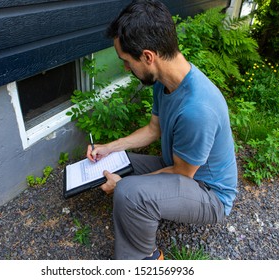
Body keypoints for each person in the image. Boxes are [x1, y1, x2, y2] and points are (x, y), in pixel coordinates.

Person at [86, 0, 238, 260]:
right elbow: (153, 130)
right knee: (115, 161)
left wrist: (125, 185)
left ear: (147, 56)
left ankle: (145, 261)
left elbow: (183, 174)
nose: (125, 67)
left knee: (129, 193)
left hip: (209, 194)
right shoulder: (163, 81)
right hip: (180, 168)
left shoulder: (197, 109)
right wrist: (108, 148)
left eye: (126, 61)